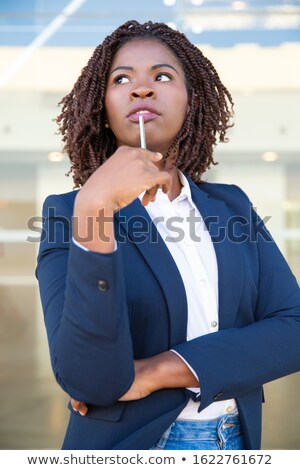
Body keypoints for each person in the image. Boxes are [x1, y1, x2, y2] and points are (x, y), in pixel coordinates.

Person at [36, 20, 300, 450]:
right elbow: (88, 378)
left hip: (235, 441)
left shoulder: (231, 206)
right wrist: (95, 208)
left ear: (191, 100)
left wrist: (158, 371)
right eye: (122, 79)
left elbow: (294, 328)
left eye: (162, 76)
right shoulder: (69, 213)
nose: (141, 89)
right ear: (102, 106)